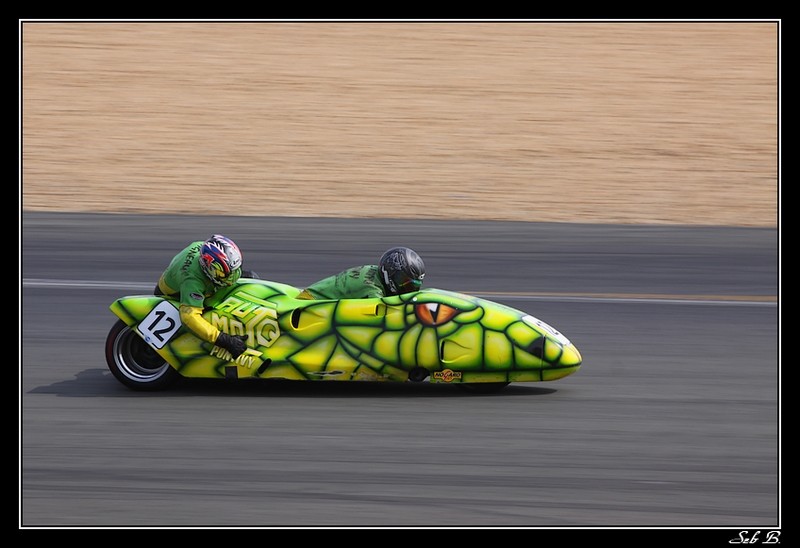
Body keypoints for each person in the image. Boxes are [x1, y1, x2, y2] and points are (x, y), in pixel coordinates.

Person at [154, 234, 249, 359]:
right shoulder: (192, 281)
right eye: (223, 273)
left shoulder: (206, 248)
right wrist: (224, 340)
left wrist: (229, 273)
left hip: (182, 276)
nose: (232, 279)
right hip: (173, 295)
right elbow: (188, 318)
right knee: (212, 312)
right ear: (208, 267)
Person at [297, 246, 425, 300]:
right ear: (390, 273)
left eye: (415, 286)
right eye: (406, 283)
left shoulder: (375, 270)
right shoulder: (372, 290)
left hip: (312, 297)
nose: (409, 290)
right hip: (309, 305)